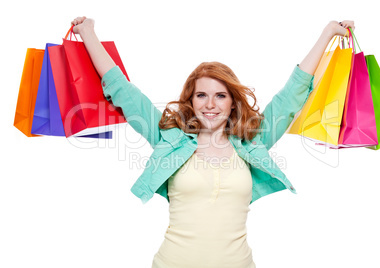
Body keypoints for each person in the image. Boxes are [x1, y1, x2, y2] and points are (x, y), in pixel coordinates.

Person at [71, 17, 354, 268]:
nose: (210, 105)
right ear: (191, 101)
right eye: (201, 95)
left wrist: (328, 32)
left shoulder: (252, 142)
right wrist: (89, 33)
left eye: (220, 95)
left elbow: (291, 95)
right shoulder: (168, 139)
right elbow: (122, 91)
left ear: (232, 103)